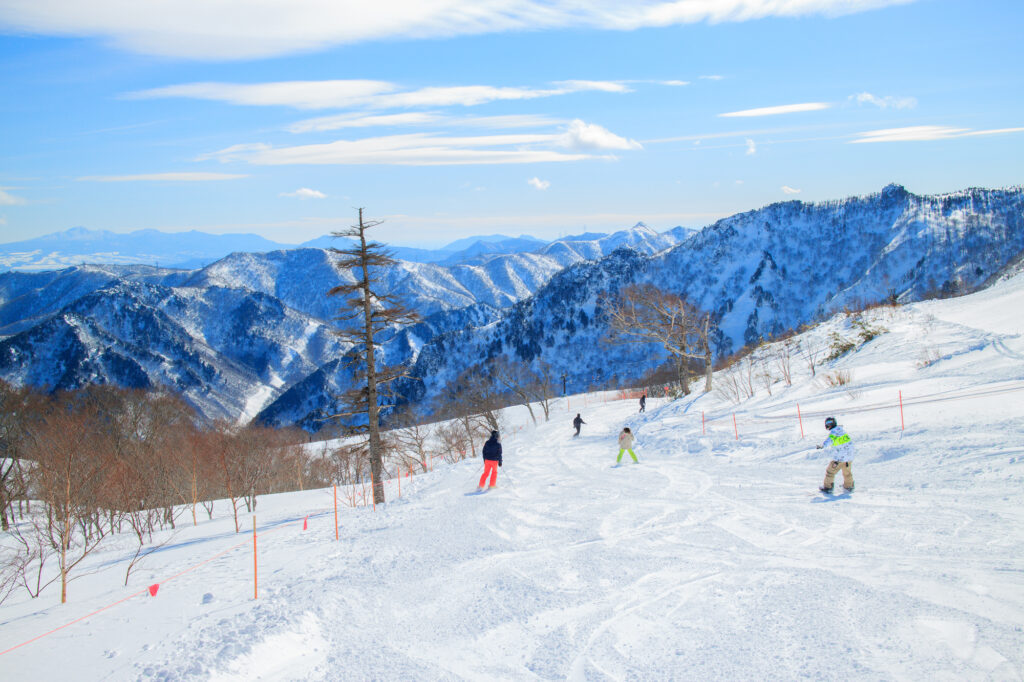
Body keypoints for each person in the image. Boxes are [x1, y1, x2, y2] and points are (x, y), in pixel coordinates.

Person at [816, 416, 855, 493]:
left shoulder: (833, 433)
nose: (827, 425)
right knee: (847, 473)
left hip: (839, 458)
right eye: (827, 423)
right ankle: (849, 486)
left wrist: (822, 446)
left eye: (829, 423)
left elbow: (829, 441)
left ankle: (828, 487)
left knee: (830, 472)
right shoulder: (842, 431)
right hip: (849, 457)